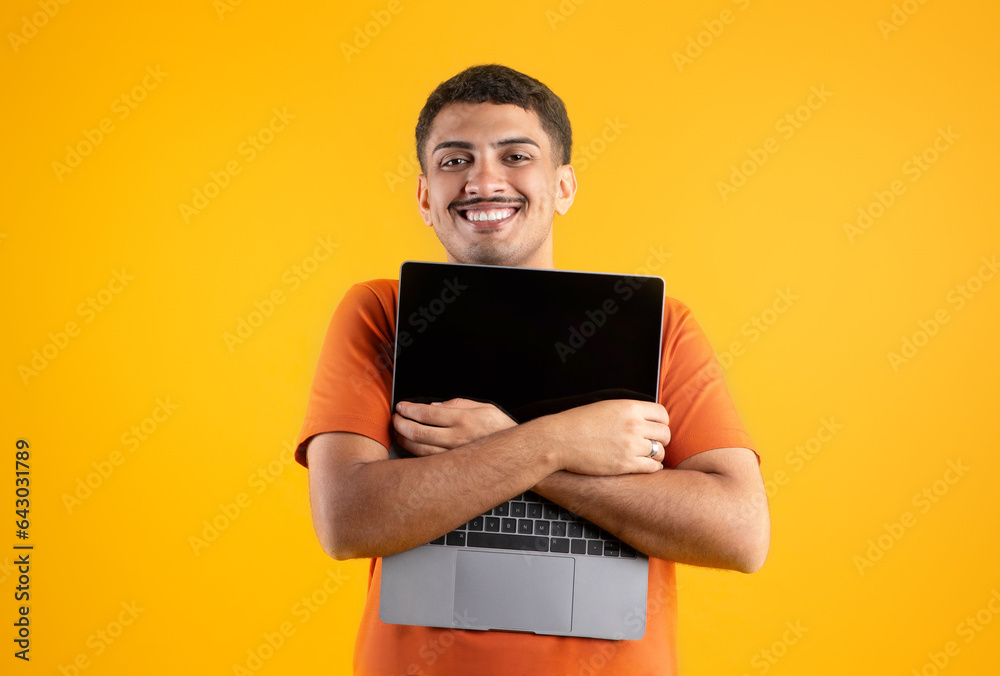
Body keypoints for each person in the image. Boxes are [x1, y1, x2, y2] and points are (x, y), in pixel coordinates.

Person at [296, 64, 770, 675]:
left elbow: (739, 533)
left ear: (565, 186)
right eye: (453, 160)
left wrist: (497, 446)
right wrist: (558, 443)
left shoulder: (660, 326)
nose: (483, 180)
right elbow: (348, 520)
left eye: (516, 155)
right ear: (424, 196)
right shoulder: (381, 313)